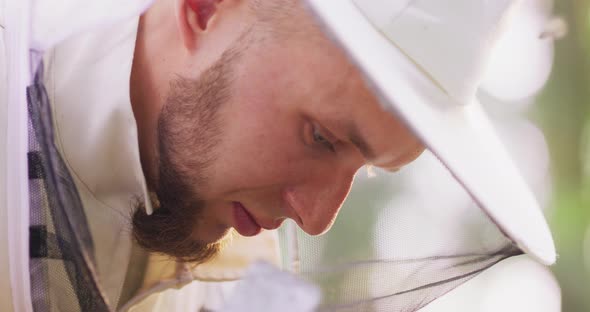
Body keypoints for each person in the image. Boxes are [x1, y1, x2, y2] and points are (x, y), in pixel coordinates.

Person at [0, 0, 558, 311]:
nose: (314, 219)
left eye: (361, 172)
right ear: (206, 7)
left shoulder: (235, 282)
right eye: (322, 138)